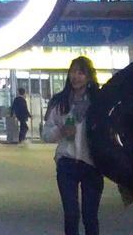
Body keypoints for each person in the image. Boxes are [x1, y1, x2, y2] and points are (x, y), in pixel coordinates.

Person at [44, 56, 103, 235]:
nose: (75, 77)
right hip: (67, 164)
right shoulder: (60, 102)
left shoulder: (98, 102)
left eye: (81, 73)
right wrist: (60, 132)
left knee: (90, 216)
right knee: (71, 214)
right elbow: (46, 133)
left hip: (92, 165)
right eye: (73, 72)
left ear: (89, 76)